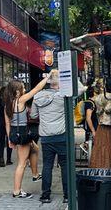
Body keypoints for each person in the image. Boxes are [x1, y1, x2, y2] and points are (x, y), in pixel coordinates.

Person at [31, 70, 86, 203]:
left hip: (46, 137)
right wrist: (69, 75)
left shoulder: (38, 96)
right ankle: (67, 195)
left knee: (47, 166)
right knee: (66, 166)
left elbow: (33, 116)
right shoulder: (64, 96)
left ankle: (45, 195)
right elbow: (82, 88)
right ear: (60, 82)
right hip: (62, 136)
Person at [4, 76, 50, 199]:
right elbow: (36, 89)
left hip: (15, 133)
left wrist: (9, 139)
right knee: (22, 164)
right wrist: (48, 78)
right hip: (23, 134)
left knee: (35, 149)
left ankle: (35, 175)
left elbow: (7, 124)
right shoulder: (20, 100)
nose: (25, 89)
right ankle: (17, 191)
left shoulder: (7, 105)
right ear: (17, 91)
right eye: (23, 87)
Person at [89, 79, 111, 168]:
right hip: (108, 125)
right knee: (107, 145)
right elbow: (109, 109)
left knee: (101, 146)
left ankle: (99, 165)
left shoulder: (99, 97)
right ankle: (106, 166)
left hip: (101, 125)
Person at [0, 87, 12, 167]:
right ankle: (8, 159)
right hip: (6, 123)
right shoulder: (7, 102)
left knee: (1, 141)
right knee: (9, 141)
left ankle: (1, 159)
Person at [83, 85, 98, 158]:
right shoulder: (90, 104)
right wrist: (93, 130)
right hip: (91, 127)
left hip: (89, 127)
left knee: (90, 142)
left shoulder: (88, 102)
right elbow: (88, 118)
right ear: (94, 93)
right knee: (91, 142)